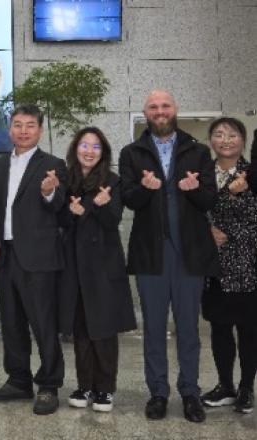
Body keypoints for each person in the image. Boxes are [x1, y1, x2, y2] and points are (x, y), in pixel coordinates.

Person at [119, 89, 218, 423]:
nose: (160, 111)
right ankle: (158, 393)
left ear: (175, 109)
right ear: (145, 113)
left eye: (165, 106)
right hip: (151, 254)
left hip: (189, 254)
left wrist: (195, 190)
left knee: (188, 328)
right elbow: (129, 199)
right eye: (153, 107)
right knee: (154, 328)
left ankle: (190, 392)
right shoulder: (132, 153)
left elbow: (209, 200)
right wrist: (144, 188)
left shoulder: (198, 151)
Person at [0, 104, 67, 415]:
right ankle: (18, 380)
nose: (23, 131)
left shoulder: (53, 165)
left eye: (30, 125)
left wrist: (49, 192)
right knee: (11, 322)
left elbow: (60, 207)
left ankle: (49, 384)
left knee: (43, 323)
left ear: (40, 130)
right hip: (6, 254)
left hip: (39, 256)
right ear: (10, 130)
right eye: (18, 125)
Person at [57, 127, 137, 412]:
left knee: (103, 328)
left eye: (95, 147)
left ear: (103, 153)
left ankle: (105, 388)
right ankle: (84, 386)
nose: (89, 151)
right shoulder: (66, 180)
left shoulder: (112, 181)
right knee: (80, 328)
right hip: (73, 264)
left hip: (102, 264)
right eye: (84, 145)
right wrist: (72, 213)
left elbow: (113, 220)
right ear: (75, 149)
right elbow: (59, 218)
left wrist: (99, 207)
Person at [200, 117, 256, 414]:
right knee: (219, 328)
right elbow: (192, 213)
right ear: (211, 140)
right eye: (219, 134)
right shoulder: (202, 173)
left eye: (232, 135)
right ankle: (225, 386)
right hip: (214, 267)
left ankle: (246, 388)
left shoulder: (253, 173)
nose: (225, 140)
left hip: (248, 264)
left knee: (249, 329)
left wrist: (238, 196)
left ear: (242, 140)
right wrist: (205, 232)